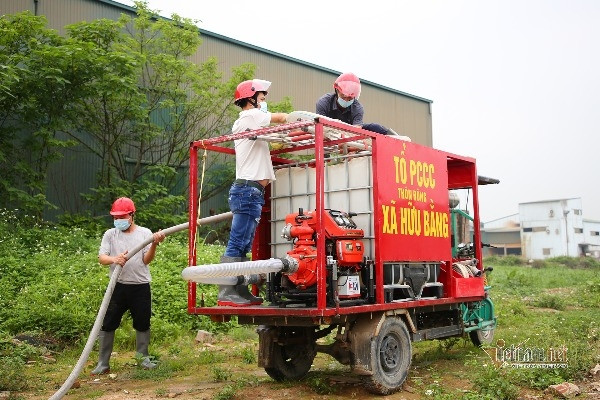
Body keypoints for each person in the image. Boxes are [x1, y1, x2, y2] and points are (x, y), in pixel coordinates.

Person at [218, 79, 288, 307]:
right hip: (248, 190)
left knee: (244, 244)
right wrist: (298, 118)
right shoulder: (251, 116)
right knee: (237, 242)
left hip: (251, 191)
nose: (264, 102)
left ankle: (240, 290)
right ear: (251, 98)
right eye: (262, 97)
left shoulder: (252, 122)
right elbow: (281, 118)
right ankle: (227, 292)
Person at [91, 197, 165, 375]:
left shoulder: (144, 233)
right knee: (108, 323)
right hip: (117, 286)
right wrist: (114, 259)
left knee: (142, 322)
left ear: (132, 215)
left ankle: (143, 359)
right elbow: (102, 258)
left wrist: (154, 244)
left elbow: (146, 260)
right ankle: (103, 363)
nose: (118, 221)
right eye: (115, 217)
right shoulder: (110, 234)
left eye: (122, 217)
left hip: (140, 286)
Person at [316, 72, 408, 138]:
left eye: (350, 99)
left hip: (350, 131)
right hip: (329, 130)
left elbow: (356, 130)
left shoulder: (357, 108)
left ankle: (398, 140)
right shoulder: (323, 103)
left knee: (375, 127)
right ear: (337, 91)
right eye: (343, 97)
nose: (346, 100)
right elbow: (322, 129)